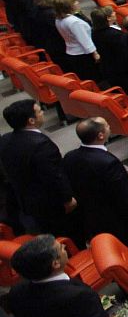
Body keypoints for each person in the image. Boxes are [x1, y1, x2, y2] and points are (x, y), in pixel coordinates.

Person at [61, 116, 128, 244]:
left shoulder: (69, 156)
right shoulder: (108, 162)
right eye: (107, 126)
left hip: (88, 218)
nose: (109, 127)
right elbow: (123, 194)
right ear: (100, 135)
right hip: (115, 220)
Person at [0, 100, 75, 235]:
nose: (43, 113)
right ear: (31, 121)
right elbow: (54, 176)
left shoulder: (5, 139)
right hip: (52, 204)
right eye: (39, 111)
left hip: (27, 201)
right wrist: (67, 199)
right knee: (67, 233)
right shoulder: (41, 145)